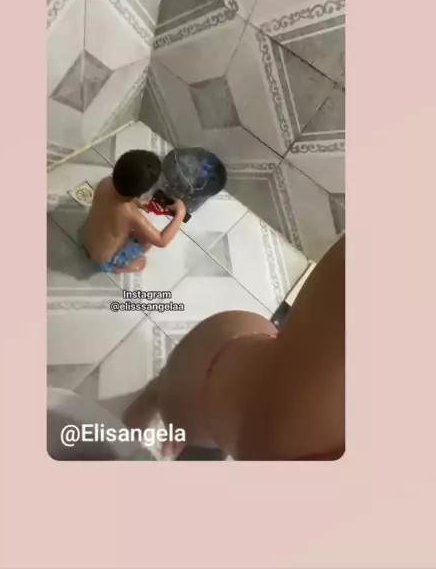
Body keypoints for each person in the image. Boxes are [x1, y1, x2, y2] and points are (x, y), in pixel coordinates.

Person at [124, 234, 345, 460]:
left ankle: (157, 401)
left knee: (164, 398)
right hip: (205, 389)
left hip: (228, 371)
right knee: (159, 396)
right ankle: (154, 399)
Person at [83, 149, 187, 274]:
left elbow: (117, 198)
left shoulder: (105, 182)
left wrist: (136, 202)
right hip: (103, 261)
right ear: (141, 192)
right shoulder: (131, 214)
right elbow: (162, 240)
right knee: (147, 242)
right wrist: (180, 213)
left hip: (87, 238)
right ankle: (118, 268)